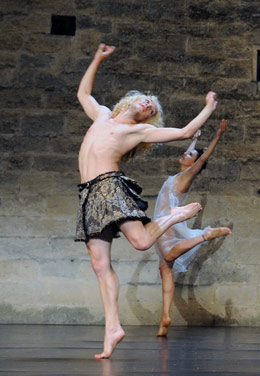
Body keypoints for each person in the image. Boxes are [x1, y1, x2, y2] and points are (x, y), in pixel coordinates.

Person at [76, 43, 218, 359]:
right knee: (99, 264)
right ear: (130, 100)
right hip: (87, 195)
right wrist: (97, 59)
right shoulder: (101, 116)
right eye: (148, 101)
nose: (149, 106)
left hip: (110, 187)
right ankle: (112, 328)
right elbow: (84, 95)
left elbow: (183, 133)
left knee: (141, 242)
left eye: (152, 110)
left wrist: (208, 107)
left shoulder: (139, 132)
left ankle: (173, 216)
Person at [155, 120, 232, 337]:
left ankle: (204, 236)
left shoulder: (187, 176)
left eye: (189, 156)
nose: (184, 155)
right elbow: (192, 156)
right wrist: (194, 140)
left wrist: (217, 135)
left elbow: (202, 159)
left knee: (169, 256)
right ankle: (165, 316)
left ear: (193, 165)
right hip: (167, 223)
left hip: (168, 224)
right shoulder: (178, 175)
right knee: (165, 268)